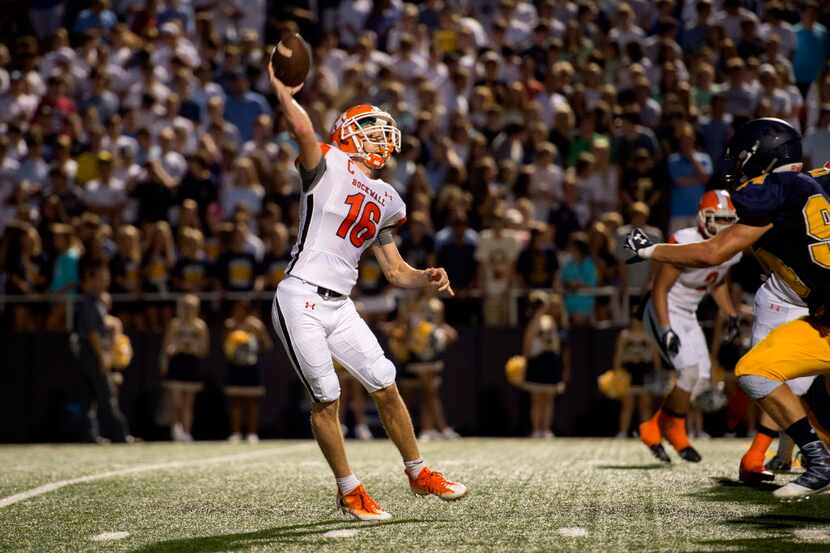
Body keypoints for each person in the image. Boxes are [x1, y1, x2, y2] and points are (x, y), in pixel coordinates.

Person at [268, 60, 466, 521]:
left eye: (383, 133)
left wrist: (427, 275)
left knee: (386, 383)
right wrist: (284, 94)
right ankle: (349, 489)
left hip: (341, 305)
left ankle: (418, 472)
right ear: (348, 134)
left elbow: (395, 271)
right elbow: (301, 132)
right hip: (300, 297)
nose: (381, 139)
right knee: (327, 397)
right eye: (372, 131)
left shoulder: (387, 198)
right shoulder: (326, 163)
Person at [624, 118, 830, 499]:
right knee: (753, 371)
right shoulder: (817, 182)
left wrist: (648, 249)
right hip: (817, 316)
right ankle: (814, 458)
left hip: (814, 311)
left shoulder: (774, 192)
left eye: (744, 158)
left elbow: (712, 253)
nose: (737, 167)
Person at [638, 190, 742, 464]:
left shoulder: (731, 248)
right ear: (702, 217)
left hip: (689, 311)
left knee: (700, 381)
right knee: (689, 372)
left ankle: (655, 427)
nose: (723, 226)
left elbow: (716, 280)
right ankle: (673, 429)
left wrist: (730, 312)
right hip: (665, 309)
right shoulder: (685, 242)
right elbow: (659, 289)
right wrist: (666, 329)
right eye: (717, 219)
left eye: (727, 220)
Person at [72, 259, 131, 443]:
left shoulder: (95, 301)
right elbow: (92, 333)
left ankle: (90, 435)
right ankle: (120, 435)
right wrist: (102, 355)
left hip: (89, 351)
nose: (104, 282)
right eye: (100, 278)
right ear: (90, 280)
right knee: (106, 394)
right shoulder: (89, 302)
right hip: (92, 351)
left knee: (89, 396)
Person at [162, 294, 209, 442]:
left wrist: (193, 347)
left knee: (188, 402)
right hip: (177, 364)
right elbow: (167, 348)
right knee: (176, 401)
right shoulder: (174, 324)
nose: (188, 310)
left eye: (191, 307)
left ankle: (187, 432)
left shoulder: (200, 326)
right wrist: (178, 347)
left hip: (192, 364)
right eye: (185, 307)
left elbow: (204, 349)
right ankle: (176, 429)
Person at [522, 292, 569, 438]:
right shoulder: (532, 321)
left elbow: (556, 343)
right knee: (537, 399)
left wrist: (558, 359)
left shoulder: (551, 321)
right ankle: (536, 430)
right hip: (537, 361)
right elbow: (527, 344)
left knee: (548, 399)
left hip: (550, 361)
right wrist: (527, 360)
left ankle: (546, 429)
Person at [224, 300, 272, 444]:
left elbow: (267, 345)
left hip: (252, 365)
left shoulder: (255, 325)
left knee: (252, 401)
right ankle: (236, 433)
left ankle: (252, 433)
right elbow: (224, 346)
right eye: (236, 309)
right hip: (235, 366)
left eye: (242, 309)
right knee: (235, 401)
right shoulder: (230, 324)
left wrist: (257, 335)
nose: (239, 312)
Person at [612, 315, 662, 437]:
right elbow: (618, 355)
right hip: (629, 372)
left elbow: (655, 356)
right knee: (627, 404)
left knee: (645, 404)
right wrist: (616, 372)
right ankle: (623, 431)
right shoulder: (624, 335)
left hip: (644, 371)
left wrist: (657, 373)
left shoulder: (649, 335)